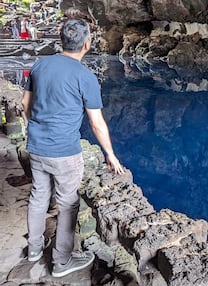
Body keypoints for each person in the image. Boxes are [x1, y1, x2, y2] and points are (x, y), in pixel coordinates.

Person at [21, 18, 125, 278]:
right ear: (87, 44)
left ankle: (34, 249)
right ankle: (61, 262)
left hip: (36, 145)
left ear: (61, 40)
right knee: (68, 204)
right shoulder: (85, 76)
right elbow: (96, 122)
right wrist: (110, 154)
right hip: (64, 151)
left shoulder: (40, 65)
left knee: (38, 196)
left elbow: (25, 103)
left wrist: (35, 126)